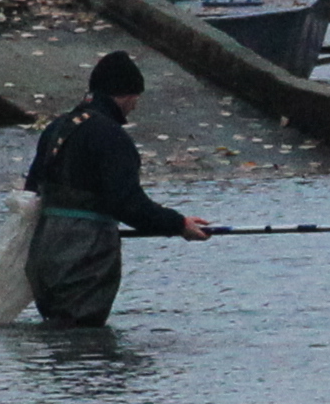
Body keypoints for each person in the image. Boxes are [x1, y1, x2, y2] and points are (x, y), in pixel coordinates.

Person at [23, 51, 210, 326]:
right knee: (84, 335)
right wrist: (178, 224)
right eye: (136, 98)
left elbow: (31, 191)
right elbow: (127, 203)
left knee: (57, 332)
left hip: (43, 251)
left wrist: (176, 222)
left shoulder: (57, 128)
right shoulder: (110, 135)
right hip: (85, 255)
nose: (135, 106)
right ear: (127, 95)